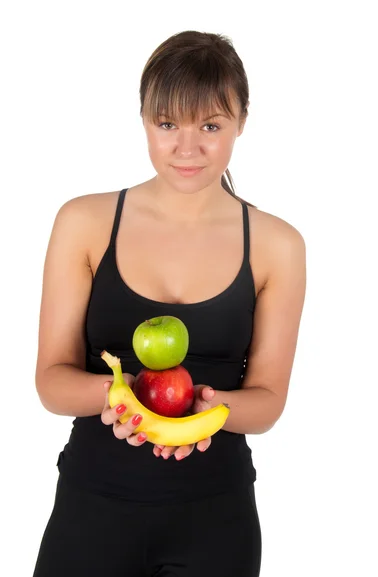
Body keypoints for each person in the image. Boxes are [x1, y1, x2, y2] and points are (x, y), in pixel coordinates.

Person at [32, 30, 306, 577]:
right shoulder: (83, 223)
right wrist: (119, 397)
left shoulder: (278, 245)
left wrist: (206, 410)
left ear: (242, 122)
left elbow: (269, 400)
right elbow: (50, 381)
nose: (188, 147)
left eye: (210, 125)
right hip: (92, 509)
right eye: (168, 125)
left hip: (216, 521)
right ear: (144, 121)